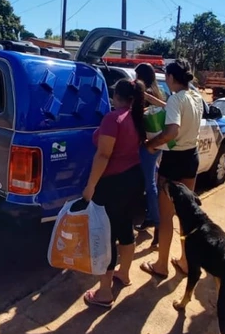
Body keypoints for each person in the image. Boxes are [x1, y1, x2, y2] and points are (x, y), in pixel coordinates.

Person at [82, 79, 148, 308]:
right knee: (125, 227)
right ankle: (125, 274)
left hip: (112, 183)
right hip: (133, 178)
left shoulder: (113, 118)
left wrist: (91, 185)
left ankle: (104, 293)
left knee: (106, 236)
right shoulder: (137, 116)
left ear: (116, 95)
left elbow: (103, 155)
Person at [139, 59, 205, 279]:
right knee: (186, 214)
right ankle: (186, 261)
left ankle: (161, 265)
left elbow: (171, 132)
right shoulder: (195, 97)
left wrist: (150, 144)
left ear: (170, 78)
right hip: (191, 157)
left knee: (166, 217)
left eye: (166, 76)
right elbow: (174, 109)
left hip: (174, 160)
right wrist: (150, 99)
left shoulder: (177, 99)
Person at [133, 63, 166, 239]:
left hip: (148, 143)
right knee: (153, 178)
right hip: (157, 143)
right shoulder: (158, 91)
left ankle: (155, 218)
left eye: (136, 75)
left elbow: (137, 117)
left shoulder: (145, 93)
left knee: (149, 182)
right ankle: (155, 214)